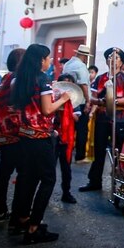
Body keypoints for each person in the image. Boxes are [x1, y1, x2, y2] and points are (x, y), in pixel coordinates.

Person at [9, 43, 70, 244]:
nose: (50, 60)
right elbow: (46, 109)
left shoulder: (18, 79)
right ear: (40, 60)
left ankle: (19, 219)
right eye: (48, 58)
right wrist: (63, 99)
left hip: (24, 135)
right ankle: (34, 227)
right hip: (40, 137)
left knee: (26, 178)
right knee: (48, 180)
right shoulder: (42, 79)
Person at [79, 47, 124, 192]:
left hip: (120, 118)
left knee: (120, 152)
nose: (113, 59)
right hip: (103, 118)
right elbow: (92, 97)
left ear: (121, 61)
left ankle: (122, 183)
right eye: (110, 57)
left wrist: (113, 101)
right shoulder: (100, 78)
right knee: (99, 150)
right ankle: (95, 181)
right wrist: (101, 101)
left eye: (116, 57)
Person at [0, 47, 25, 225]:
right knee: (22, 173)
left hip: (3, 131)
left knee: (4, 172)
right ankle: (17, 213)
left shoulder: (5, 78)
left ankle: (0, 210)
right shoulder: (17, 80)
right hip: (16, 132)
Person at [62, 44, 92, 163]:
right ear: (84, 56)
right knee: (81, 130)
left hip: (69, 99)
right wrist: (88, 101)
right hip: (80, 100)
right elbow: (83, 84)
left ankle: (66, 153)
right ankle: (80, 156)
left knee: (69, 127)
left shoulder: (68, 64)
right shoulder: (81, 66)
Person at [54, 73, 77, 204]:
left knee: (66, 167)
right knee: (49, 167)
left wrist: (68, 113)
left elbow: (77, 118)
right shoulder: (54, 99)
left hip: (67, 137)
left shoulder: (76, 101)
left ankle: (66, 192)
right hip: (55, 135)